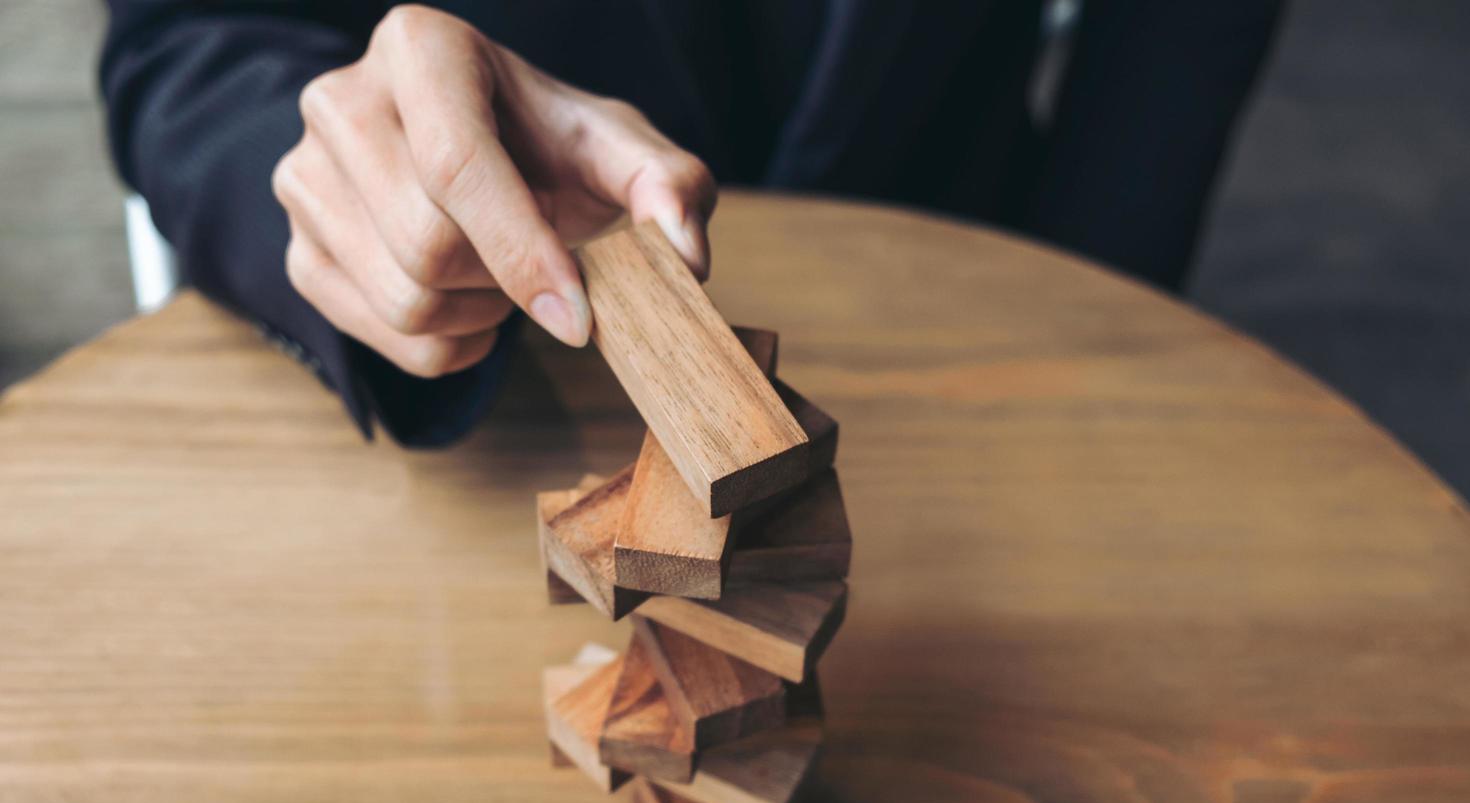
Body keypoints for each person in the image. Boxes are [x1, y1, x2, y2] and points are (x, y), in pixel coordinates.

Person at [100, 1, 1283, 445]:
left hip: (974, 280)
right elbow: (185, 37)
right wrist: (348, 190)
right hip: (520, 396)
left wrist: (1096, 294)